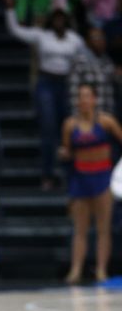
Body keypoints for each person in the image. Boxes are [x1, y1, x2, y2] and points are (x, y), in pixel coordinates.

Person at [4, 0, 85, 189]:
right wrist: (10, 10)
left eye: (62, 18)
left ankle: (71, 173)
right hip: (46, 83)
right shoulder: (42, 36)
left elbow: (84, 59)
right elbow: (15, 31)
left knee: (71, 129)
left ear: (66, 19)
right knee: (48, 129)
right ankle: (47, 175)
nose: (58, 21)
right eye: (55, 18)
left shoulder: (75, 40)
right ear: (51, 19)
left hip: (66, 84)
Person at [59, 83, 122, 283]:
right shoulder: (70, 125)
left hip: (103, 177)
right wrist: (64, 154)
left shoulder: (106, 121)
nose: (84, 100)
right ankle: (76, 269)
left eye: (87, 96)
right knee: (80, 229)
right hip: (80, 178)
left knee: (103, 228)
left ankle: (102, 269)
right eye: (81, 96)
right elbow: (68, 152)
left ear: (95, 99)